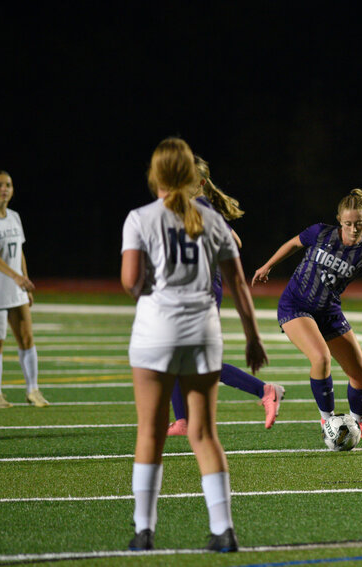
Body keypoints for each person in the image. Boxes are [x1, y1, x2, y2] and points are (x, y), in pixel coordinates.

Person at [121, 137, 268, 552]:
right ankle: (224, 530)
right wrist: (253, 337)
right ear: (192, 176)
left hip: (157, 331)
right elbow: (238, 283)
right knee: (204, 435)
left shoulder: (140, 218)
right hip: (203, 331)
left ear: (156, 175)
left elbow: (131, 282)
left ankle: (143, 531)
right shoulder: (213, 220)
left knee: (150, 432)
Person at [252, 189, 362, 448]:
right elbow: (294, 243)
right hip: (295, 305)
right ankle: (328, 422)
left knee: (361, 377)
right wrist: (268, 265)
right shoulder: (321, 232)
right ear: (340, 220)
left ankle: (358, 424)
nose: (353, 229)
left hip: (328, 311)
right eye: (349, 224)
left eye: (359, 224)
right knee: (320, 358)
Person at [166, 156, 284, 436]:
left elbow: (233, 241)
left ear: (200, 184)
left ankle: (263, 390)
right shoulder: (186, 207)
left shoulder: (201, 207)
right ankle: (184, 419)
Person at [0, 171, 48, 409]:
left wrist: (24, 280)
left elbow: (19, 252)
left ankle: (33, 390)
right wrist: (16, 277)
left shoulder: (14, 217)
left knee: (26, 339)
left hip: (15, 289)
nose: (4, 189)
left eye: (8, 185)